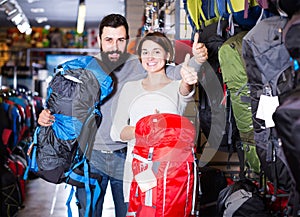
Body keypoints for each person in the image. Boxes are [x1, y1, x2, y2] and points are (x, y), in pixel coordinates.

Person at [37, 14, 208, 217]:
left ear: (127, 41)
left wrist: (198, 60)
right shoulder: (83, 69)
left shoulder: (142, 64)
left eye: (120, 40)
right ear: (99, 40)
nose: (114, 46)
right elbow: (61, 105)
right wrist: (45, 118)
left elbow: (179, 74)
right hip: (89, 158)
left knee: (128, 213)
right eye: (109, 40)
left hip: (124, 157)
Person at [110, 31, 198, 206]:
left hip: (172, 174)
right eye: (145, 52)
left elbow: (185, 91)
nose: (150, 57)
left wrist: (188, 80)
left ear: (167, 54)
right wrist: (146, 128)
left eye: (157, 51)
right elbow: (116, 132)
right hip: (138, 173)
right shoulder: (130, 88)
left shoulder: (176, 87)